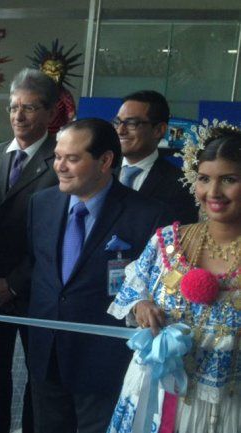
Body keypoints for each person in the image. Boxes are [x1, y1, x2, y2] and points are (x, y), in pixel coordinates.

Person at [26, 118, 170, 433]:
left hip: (104, 362)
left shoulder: (146, 214)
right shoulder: (41, 204)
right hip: (46, 354)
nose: (60, 167)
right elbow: (37, 272)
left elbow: (155, 287)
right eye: (58, 157)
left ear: (105, 161)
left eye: (72, 158)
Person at [108, 125, 241, 433]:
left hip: (226, 403)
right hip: (155, 393)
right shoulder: (167, 241)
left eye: (230, 180)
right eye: (205, 179)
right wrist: (141, 306)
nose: (214, 192)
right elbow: (132, 289)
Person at [0, 68, 59, 433]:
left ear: (51, 114)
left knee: (39, 375)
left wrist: (14, 283)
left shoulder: (60, 163)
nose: (19, 116)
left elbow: (54, 239)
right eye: (14, 107)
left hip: (35, 292)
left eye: (30, 108)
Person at [113, 90, 197, 224]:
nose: (120, 130)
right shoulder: (100, 172)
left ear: (159, 130)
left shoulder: (181, 185)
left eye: (132, 123)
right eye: (118, 122)